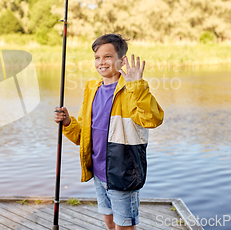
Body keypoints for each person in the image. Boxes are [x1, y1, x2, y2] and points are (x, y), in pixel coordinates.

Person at [54, 34, 164, 230]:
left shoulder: (132, 90)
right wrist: (68, 122)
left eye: (107, 57)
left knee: (124, 227)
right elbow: (83, 135)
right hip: (98, 172)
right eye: (97, 57)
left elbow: (153, 119)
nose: (101, 62)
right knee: (109, 222)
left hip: (122, 173)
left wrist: (137, 86)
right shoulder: (92, 89)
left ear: (122, 61)